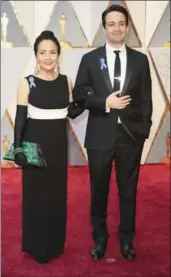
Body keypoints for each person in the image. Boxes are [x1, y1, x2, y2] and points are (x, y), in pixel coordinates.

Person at [73, 4, 152, 261]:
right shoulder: (90, 59)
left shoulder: (141, 60)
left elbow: (145, 99)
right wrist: (105, 102)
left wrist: (144, 130)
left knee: (128, 192)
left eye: (121, 24)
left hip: (131, 137)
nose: (116, 28)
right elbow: (80, 93)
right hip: (99, 136)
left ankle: (127, 241)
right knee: (98, 192)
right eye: (111, 24)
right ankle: (100, 240)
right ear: (104, 27)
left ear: (127, 27)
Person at [13, 30, 84, 264]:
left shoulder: (66, 81)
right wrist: (19, 149)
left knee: (55, 195)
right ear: (35, 55)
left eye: (52, 52)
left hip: (57, 145)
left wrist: (85, 101)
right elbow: (21, 119)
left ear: (58, 55)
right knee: (36, 196)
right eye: (42, 52)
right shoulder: (27, 83)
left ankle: (54, 245)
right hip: (34, 144)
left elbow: (70, 112)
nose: (47, 57)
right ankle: (36, 246)